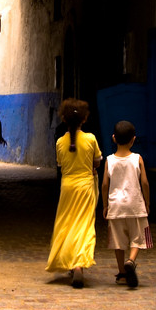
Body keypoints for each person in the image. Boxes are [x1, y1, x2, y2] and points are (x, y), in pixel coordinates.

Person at [45, 98, 102, 288]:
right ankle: (78, 263)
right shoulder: (91, 139)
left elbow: (61, 165)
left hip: (67, 187)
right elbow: (97, 162)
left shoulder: (60, 143)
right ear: (85, 119)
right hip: (86, 187)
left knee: (67, 223)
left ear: (63, 119)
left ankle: (69, 260)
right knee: (84, 225)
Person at [101, 120, 151, 288]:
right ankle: (132, 260)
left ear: (113, 138)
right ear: (133, 139)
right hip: (136, 205)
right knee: (140, 237)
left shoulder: (109, 160)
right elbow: (144, 183)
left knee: (117, 241)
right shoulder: (138, 159)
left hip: (115, 206)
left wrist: (105, 205)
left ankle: (122, 272)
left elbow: (105, 185)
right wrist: (148, 203)